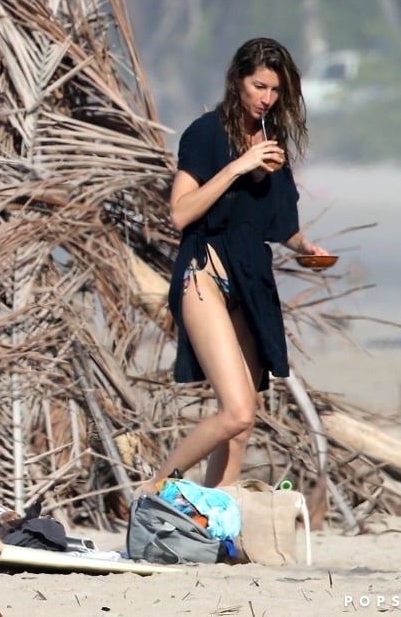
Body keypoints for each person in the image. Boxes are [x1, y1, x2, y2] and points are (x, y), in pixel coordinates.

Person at [142, 37, 328, 493]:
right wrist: (238, 167)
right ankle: (154, 486)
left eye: (275, 90)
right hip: (204, 271)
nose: (266, 98)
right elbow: (181, 213)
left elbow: (281, 225)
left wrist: (306, 246)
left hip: (250, 278)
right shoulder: (205, 134)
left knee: (243, 425)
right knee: (235, 411)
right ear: (237, 81)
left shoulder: (272, 143)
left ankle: (215, 521)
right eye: (258, 86)